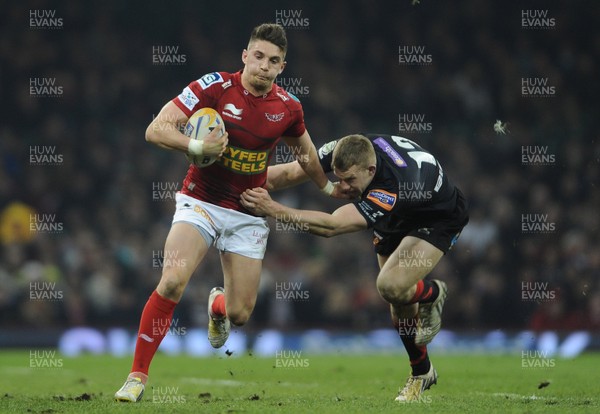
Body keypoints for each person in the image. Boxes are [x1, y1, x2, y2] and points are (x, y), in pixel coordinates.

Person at [115, 23, 339, 403]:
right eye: (258, 57)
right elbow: (156, 129)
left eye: (274, 61)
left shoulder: (288, 108)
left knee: (240, 315)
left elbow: (306, 156)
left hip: (249, 212)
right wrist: (196, 144)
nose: (264, 66)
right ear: (245, 56)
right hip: (200, 201)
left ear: (282, 66)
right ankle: (137, 376)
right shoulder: (215, 87)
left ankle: (216, 305)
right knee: (171, 281)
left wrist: (330, 188)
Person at [241, 133, 469, 402]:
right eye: (339, 178)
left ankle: (431, 296)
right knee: (397, 300)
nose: (344, 187)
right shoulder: (346, 149)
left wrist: (273, 209)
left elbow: (332, 226)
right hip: (397, 216)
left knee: (390, 285)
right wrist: (236, 181)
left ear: (371, 170)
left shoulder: (391, 187)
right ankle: (424, 370)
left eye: (350, 180)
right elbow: (290, 172)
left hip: (437, 216)